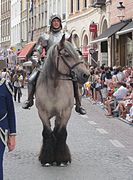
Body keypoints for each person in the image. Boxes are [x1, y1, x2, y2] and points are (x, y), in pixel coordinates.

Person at [22, 14, 86, 114]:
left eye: (58, 21)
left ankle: (78, 105)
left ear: (60, 22)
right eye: (54, 21)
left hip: (63, 62)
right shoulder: (45, 36)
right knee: (31, 79)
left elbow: (74, 49)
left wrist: (78, 56)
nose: (56, 23)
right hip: (48, 62)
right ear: (51, 23)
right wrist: (36, 59)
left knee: (75, 80)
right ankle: (29, 100)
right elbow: (37, 50)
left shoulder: (66, 36)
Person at [0, 60, 16, 180]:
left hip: (0, 131)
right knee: (33, 78)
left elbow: (11, 112)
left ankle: (77, 103)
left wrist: (12, 135)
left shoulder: (5, 86)